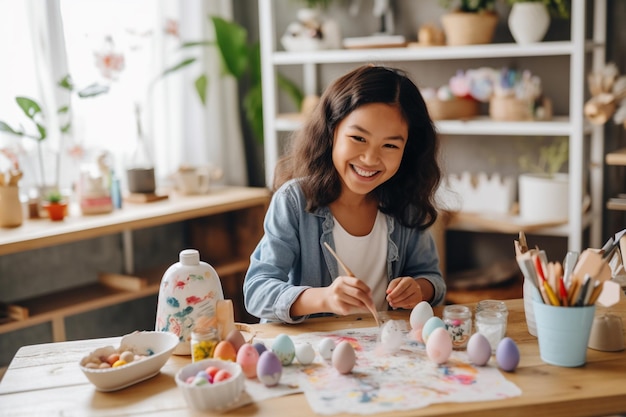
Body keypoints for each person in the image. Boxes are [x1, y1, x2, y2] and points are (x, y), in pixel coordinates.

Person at [244, 64, 445, 324]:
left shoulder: (407, 204)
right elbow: (257, 291)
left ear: (408, 149)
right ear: (331, 131)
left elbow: (432, 279)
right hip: (313, 355)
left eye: (390, 145)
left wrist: (420, 289)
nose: (371, 158)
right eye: (358, 138)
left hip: (384, 352)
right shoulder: (294, 201)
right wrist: (323, 298)